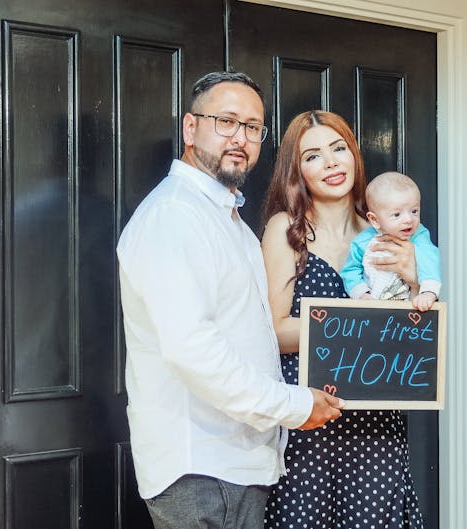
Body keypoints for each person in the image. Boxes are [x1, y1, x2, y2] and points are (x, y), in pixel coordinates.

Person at [117, 72, 344, 529]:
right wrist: (294, 407)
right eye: (226, 121)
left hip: (236, 464)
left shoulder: (229, 221)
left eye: (253, 127)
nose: (240, 138)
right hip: (199, 468)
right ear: (190, 128)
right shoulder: (174, 217)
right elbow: (192, 349)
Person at [260, 110, 426, 528]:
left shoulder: (389, 232)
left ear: (354, 155)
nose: (331, 162)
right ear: (297, 171)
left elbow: (412, 338)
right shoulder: (286, 230)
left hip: (376, 422)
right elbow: (274, 332)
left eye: (338, 149)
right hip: (307, 419)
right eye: (313, 155)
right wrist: (354, 324)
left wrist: (411, 283)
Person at [340, 171, 442, 311]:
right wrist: (362, 295)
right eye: (397, 214)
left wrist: (427, 292)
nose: (408, 219)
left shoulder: (419, 235)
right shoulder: (363, 242)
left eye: (414, 211)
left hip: (409, 309)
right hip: (374, 309)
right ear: (374, 220)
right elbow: (350, 271)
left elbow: (430, 260)